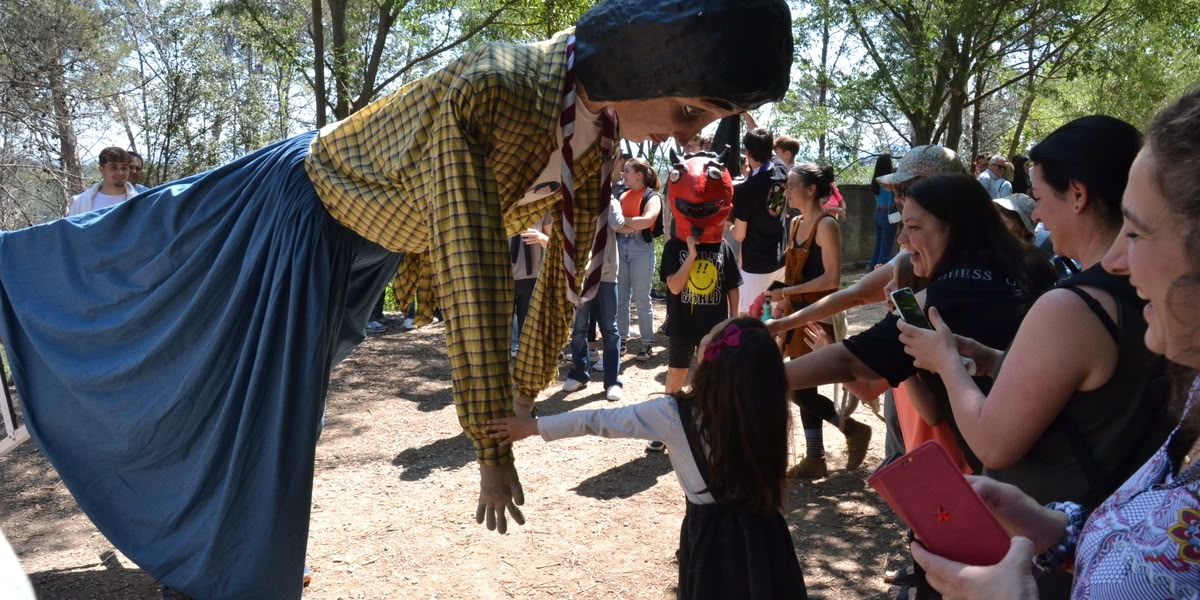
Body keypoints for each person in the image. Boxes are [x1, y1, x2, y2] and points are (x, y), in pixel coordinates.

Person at [0, 0, 794, 596]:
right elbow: (475, 265)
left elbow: (568, 272)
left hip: (361, 242)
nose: (685, 134)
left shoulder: (597, 127)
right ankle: (216, 563)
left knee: (273, 402)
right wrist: (492, 447)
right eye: (689, 110)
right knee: (214, 356)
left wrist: (522, 402)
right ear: (642, 62)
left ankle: (225, 548)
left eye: (709, 120)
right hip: (301, 211)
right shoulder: (499, 90)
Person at [911, 87, 1200, 600]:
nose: (1116, 261)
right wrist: (1055, 530)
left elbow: (993, 441)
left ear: (1078, 194)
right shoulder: (1189, 393)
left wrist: (946, 362)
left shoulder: (1073, 305)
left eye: (1137, 234)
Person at [486, 318, 806, 599]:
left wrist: (532, 427)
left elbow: (597, 420)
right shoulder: (766, 398)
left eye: (711, 333)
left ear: (707, 359)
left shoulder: (673, 414)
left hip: (712, 544)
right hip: (768, 539)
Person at [767, 163, 870, 478]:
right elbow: (792, 271)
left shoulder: (827, 225)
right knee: (799, 386)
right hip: (797, 313)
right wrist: (783, 300)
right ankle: (820, 455)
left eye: (793, 184)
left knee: (799, 386)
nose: (788, 190)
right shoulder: (796, 222)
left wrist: (790, 291)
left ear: (812, 190)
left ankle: (847, 432)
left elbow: (832, 279)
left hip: (818, 314)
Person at [561, 198, 624, 400]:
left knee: (610, 328)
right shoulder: (575, 199)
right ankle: (579, 374)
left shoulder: (611, 201)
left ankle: (613, 381)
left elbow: (617, 224)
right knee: (579, 328)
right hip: (581, 274)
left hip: (606, 275)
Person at [732, 127, 789, 314]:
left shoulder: (746, 190)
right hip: (781, 260)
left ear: (747, 153)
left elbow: (739, 234)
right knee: (775, 317)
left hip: (755, 266)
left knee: (748, 318)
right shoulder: (782, 171)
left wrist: (726, 225)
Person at [614, 157, 662, 361]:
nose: (622, 174)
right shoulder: (621, 194)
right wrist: (629, 225)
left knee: (642, 298)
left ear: (638, 175)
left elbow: (648, 220)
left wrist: (622, 224)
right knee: (621, 298)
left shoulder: (653, 196)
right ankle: (621, 340)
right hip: (620, 246)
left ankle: (646, 343)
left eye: (626, 171)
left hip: (641, 247)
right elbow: (620, 223)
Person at [67, 146, 140, 216]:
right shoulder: (80, 202)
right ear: (101, 170)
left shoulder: (139, 202)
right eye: (114, 168)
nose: (120, 173)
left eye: (124, 168)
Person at [868, 153, 897, 270]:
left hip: (878, 213)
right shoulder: (890, 180)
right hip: (889, 215)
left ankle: (871, 272)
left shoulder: (876, 181)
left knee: (878, 246)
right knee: (886, 249)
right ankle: (878, 274)